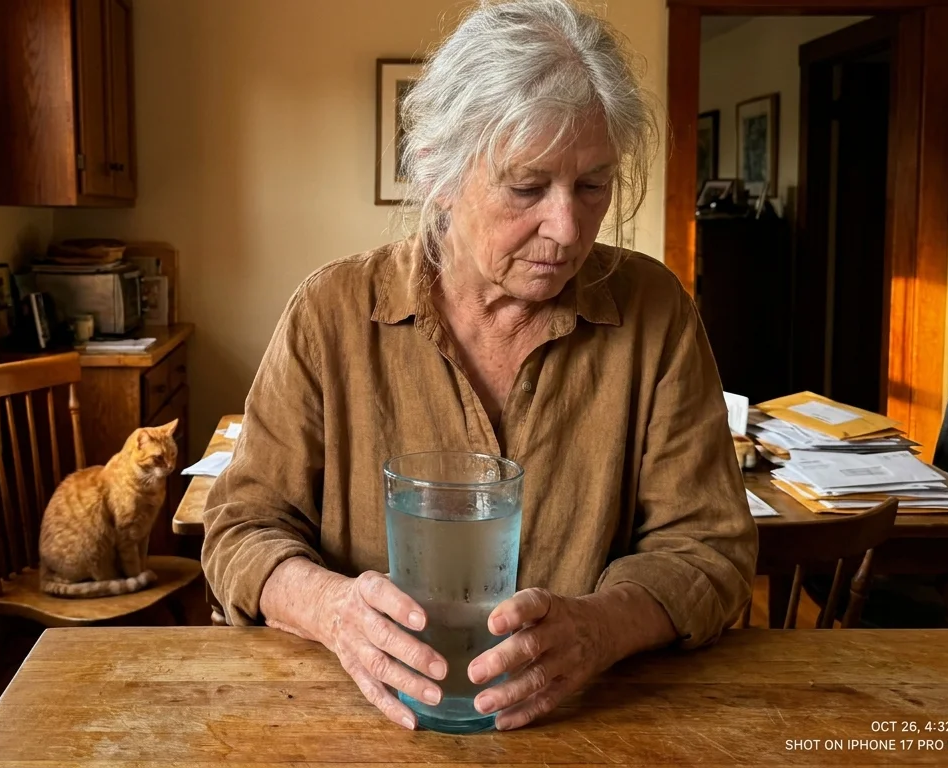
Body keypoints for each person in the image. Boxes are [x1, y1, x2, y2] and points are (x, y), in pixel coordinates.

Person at [201, 0, 757, 732]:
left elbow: (710, 546)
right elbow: (241, 528)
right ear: (437, 171)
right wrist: (333, 612)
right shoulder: (330, 313)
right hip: (361, 729)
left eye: (593, 185)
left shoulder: (656, 312)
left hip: (597, 726)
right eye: (526, 186)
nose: (566, 229)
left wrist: (601, 626)